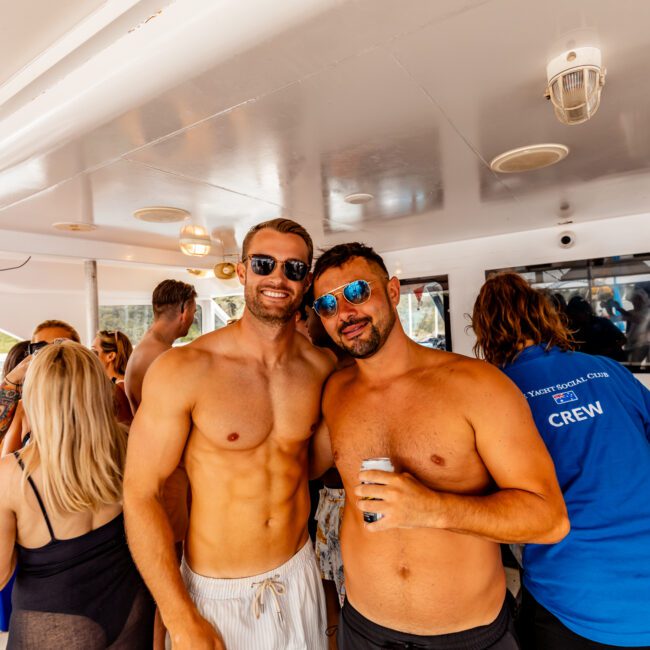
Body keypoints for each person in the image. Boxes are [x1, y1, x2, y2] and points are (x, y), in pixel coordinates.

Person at [310, 243, 569, 650]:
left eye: (357, 292)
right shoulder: (334, 393)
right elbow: (296, 465)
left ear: (393, 292)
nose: (344, 312)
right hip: (363, 629)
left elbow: (548, 518)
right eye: (326, 304)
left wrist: (432, 508)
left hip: (468, 636)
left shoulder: (477, 386)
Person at [124, 218, 334, 650]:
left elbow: (308, 464)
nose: (278, 277)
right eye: (263, 263)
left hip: (298, 576)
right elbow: (140, 493)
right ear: (242, 271)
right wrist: (178, 616)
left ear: (307, 281)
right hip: (218, 595)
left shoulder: (320, 368)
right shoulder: (184, 369)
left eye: (294, 268)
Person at [472, 272, 650, 650]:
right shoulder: (610, 371)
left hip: (571, 595)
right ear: (543, 314)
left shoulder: (496, 394)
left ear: (484, 331)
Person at [0, 341, 154, 648]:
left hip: (52, 621)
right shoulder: (131, 446)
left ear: (36, 397)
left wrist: (9, 383)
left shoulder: (12, 475)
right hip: (133, 608)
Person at [124, 280, 197, 413]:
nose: (194, 317)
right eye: (194, 311)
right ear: (185, 312)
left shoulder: (146, 345)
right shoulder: (166, 356)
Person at [1, 320, 81, 440]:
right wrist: (13, 377)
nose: (50, 353)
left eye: (59, 346)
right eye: (40, 348)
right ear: (31, 354)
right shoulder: (25, 407)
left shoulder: (94, 395)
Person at [91, 330, 134, 426]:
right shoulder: (124, 383)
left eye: (94, 351)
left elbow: (124, 428)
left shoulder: (118, 389)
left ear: (110, 356)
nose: (90, 356)